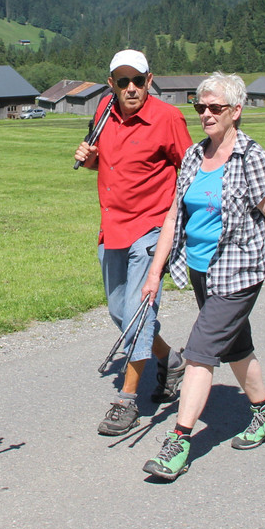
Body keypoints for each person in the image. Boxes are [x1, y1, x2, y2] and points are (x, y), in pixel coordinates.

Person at [139, 72, 265, 480]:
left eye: (214, 107)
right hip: (202, 269)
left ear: (236, 111)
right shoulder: (193, 156)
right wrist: (154, 273)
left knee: (200, 351)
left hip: (239, 271)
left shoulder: (252, 158)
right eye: (199, 106)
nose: (205, 114)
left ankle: (178, 443)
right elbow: (172, 218)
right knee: (235, 345)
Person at [74, 49, 193, 436]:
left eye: (138, 81)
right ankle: (171, 361)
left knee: (138, 312)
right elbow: (101, 162)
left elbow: (190, 169)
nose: (130, 88)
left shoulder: (168, 118)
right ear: (111, 84)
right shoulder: (103, 111)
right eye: (123, 81)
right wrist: (88, 159)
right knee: (119, 312)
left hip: (152, 229)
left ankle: (127, 401)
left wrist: (179, 223)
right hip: (112, 228)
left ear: (149, 81)